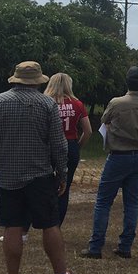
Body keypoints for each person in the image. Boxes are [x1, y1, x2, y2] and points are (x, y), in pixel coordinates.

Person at [0, 60, 89, 274]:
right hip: (40, 175)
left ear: (15, 79)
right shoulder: (47, 104)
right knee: (50, 224)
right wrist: (62, 175)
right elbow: (59, 146)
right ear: (38, 81)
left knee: (13, 225)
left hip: (7, 177)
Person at [81, 66, 138, 260]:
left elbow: (105, 120)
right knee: (131, 203)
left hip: (118, 156)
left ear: (126, 81)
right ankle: (125, 246)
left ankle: (95, 247)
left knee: (103, 202)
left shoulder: (116, 102)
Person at [45, 73, 92, 227]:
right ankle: (56, 225)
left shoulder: (45, 102)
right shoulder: (77, 104)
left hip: (48, 146)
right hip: (70, 144)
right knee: (64, 186)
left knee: (44, 184)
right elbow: (88, 131)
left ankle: (43, 220)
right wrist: (77, 146)